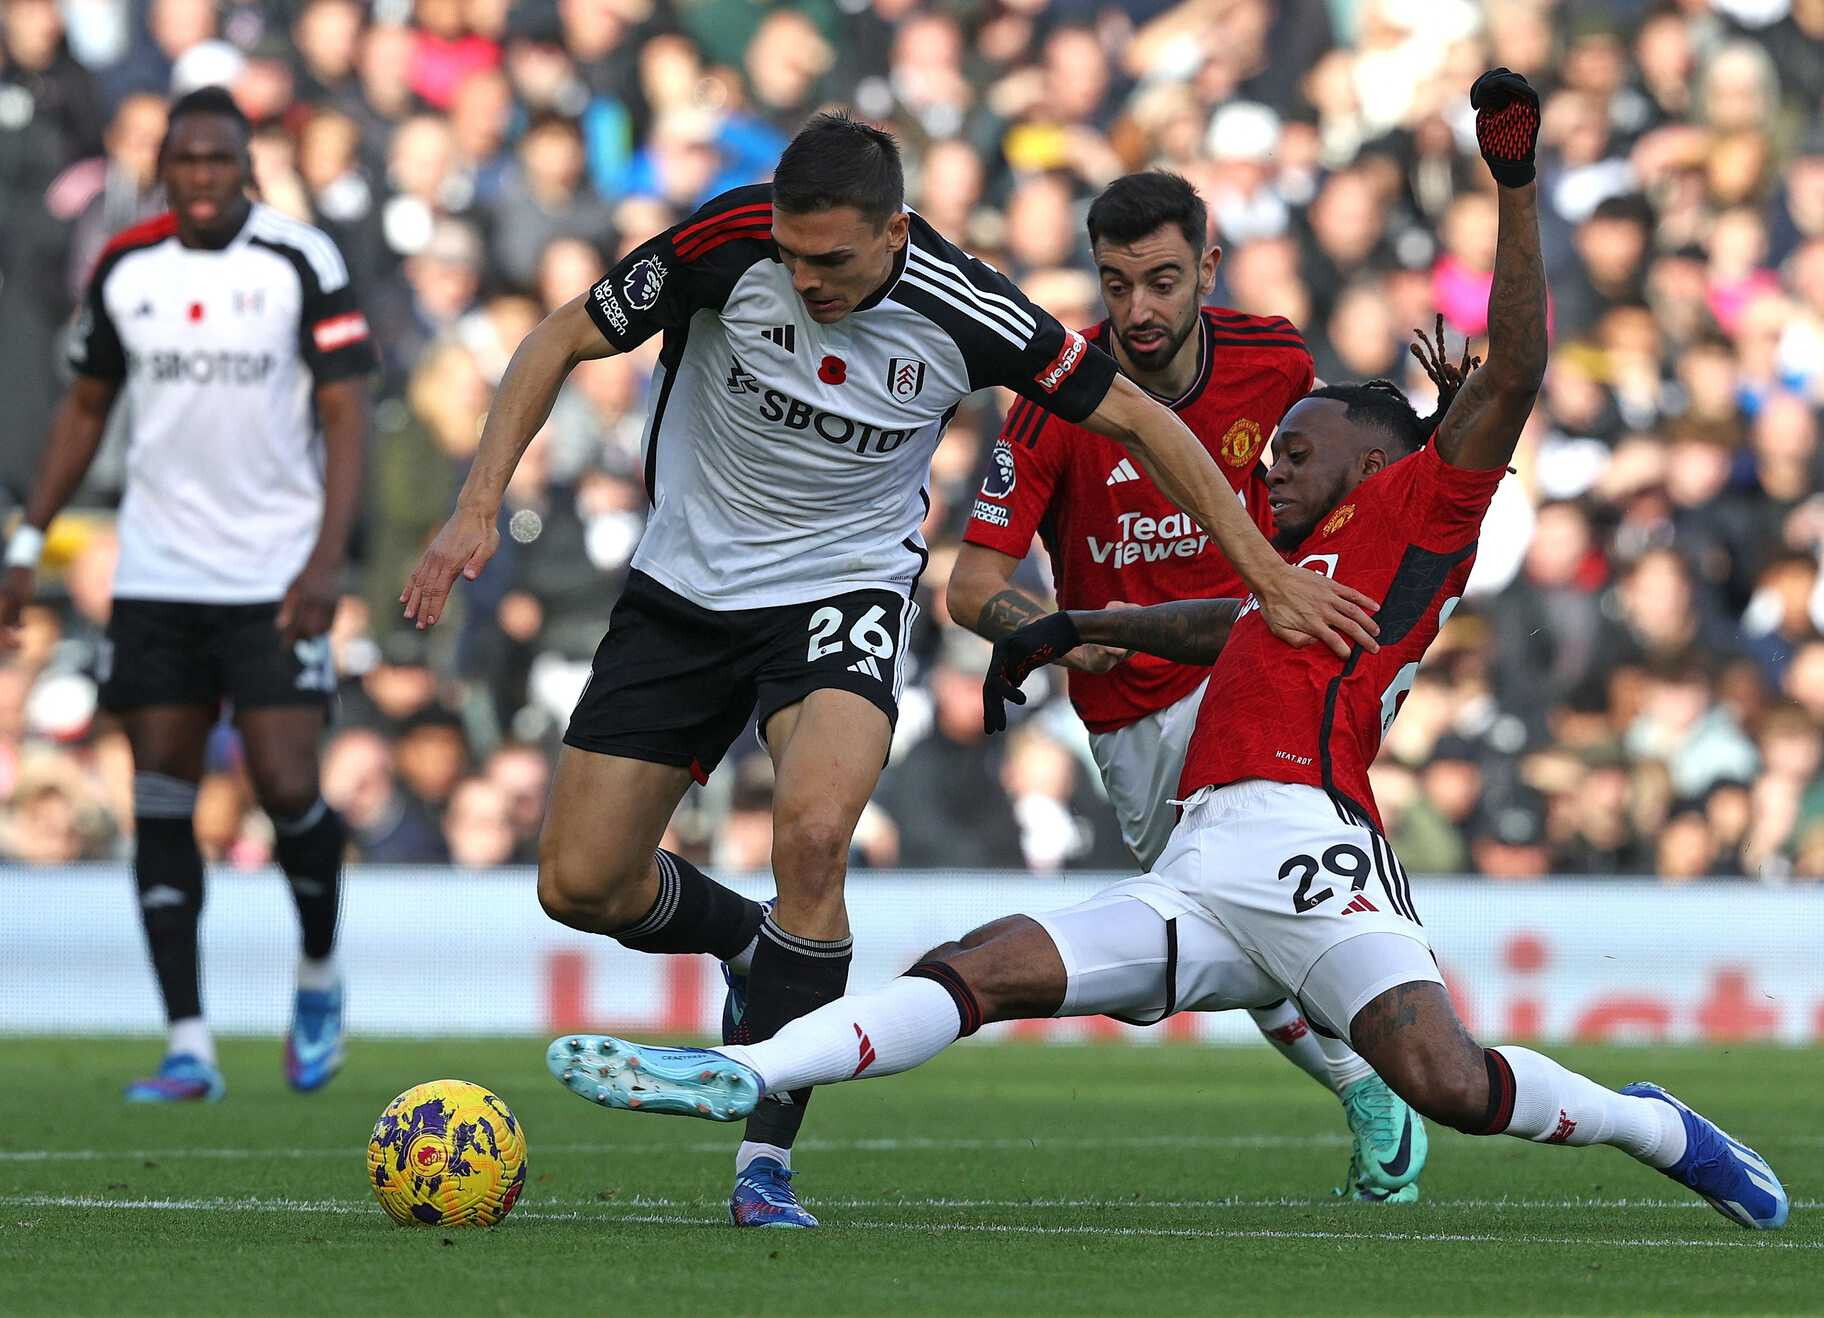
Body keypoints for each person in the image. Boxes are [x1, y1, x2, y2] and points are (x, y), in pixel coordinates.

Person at [540, 73, 1791, 1233]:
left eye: (1299, 450)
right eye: (1272, 445)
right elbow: (1204, 614)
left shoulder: (1414, 521)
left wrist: (1513, 191)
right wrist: (1075, 626)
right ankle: (744, 1069)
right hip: (1195, 846)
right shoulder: (1250, 560)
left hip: (1313, 854)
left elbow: (1513, 366)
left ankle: (1646, 1121)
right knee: (979, 970)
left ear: (1378, 459)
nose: (1268, 467)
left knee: (1452, 1082)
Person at [400, 112, 1379, 1228]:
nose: (804, 275)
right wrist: (475, 506)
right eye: (791, 251)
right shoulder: (726, 242)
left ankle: (763, 1164)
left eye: (834, 258)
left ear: (895, 231)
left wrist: (1266, 573)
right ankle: (741, 942)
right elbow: (558, 339)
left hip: (842, 591)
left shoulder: (972, 307)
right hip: (682, 587)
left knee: (815, 837)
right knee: (580, 884)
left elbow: (1145, 420)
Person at [945, 169, 1422, 1201]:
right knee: (1242, 940)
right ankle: (1370, 1074)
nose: (1139, 310)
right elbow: (972, 584)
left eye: (1162, 281)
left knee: (1273, 894)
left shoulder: (1275, 357)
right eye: (1116, 285)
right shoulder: (1052, 394)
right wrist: (1062, 636)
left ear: (1207, 266)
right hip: (1134, 720)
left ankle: (1404, 1066)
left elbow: (1345, 491)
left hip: (1258, 668)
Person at [0, 87, 376, 1103]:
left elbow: (345, 413)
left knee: (289, 782)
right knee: (160, 787)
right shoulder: (126, 267)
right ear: (161, 167)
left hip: (273, 572)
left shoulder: (301, 260)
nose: (202, 174)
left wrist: (328, 558)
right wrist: (28, 541)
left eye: (220, 158)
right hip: (158, 572)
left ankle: (320, 969)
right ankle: (189, 1040)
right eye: (185, 159)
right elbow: (83, 408)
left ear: (247, 164)